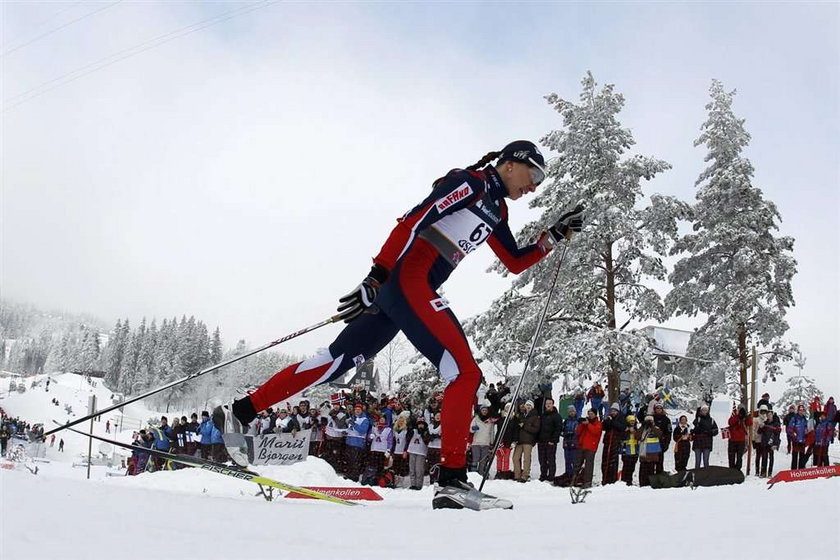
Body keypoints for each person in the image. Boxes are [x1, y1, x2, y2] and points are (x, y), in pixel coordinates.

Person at [227, 141, 583, 510]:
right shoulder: (471, 183)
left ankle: (241, 411)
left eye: (541, 180)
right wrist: (376, 276)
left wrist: (551, 237)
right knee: (464, 374)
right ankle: (451, 481)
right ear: (510, 164)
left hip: (404, 291)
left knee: (335, 362)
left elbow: (513, 260)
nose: (534, 186)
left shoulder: (497, 209)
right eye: (534, 175)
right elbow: (413, 221)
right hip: (408, 282)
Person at [537, 398, 563, 482]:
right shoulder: (542, 415)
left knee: (551, 459)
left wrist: (553, 440)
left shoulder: (557, 416)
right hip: (541, 441)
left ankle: (551, 475)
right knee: (542, 459)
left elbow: (558, 429)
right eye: (547, 404)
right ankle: (543, 474)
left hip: (550, 442)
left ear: (552, 404)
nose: (548, 405)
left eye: (550, 403)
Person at [575, 409, 602, 488]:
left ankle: (587, 482)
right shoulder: (586, 422)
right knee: (577, 464)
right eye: (589, 414)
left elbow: (595, 431)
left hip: (591, 447)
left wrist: (588, 424)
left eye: (592, 414)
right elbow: (578, 432)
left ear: (595, 414)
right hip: (582, 445)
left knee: (589, 466)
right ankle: (575, 480)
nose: (590, 415)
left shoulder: (598, 423)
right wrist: (581, 424)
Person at [600, 403, 625, 484]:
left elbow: (622, 427)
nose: (613, 412)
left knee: (613, 462)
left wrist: (612, 422)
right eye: (612, 411)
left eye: (615, 411)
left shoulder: (621, 418)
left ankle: (612, 479)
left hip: (615, 442)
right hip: (607, 441)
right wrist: (607, 421)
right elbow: (603, 427)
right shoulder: (608, 417)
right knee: (605, 460)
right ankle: (605, 478)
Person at [638, 416, 663, 487]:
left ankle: (650, 483)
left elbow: (659, 434)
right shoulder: (642, 429)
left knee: (651, 469)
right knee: (643, 469)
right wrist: (643, 426)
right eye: (647, 421)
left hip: (653, 452)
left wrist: (652, 426)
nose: (649, 422)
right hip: (644, 452)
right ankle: (642, 483)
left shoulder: (656, 428)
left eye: (650, 421)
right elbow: (637, 436)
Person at [469, 405, 495, 473]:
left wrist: (492, 442)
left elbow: (492, 432)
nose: (484, 412)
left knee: (483, 460)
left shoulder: (490, 421)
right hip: (476, 443)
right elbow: (471, 430)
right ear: (480, 411)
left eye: (486, 410)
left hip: (486, 443)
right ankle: (473, 474)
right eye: (483, 410)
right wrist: (474, 428)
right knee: (475, 459)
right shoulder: (476, 419)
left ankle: (481, 474)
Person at [406, 417, 431, 490]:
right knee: (412, 469)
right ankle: (413, 484)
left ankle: (419, 485)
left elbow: (427, 441)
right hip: (412, 450)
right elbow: (407, 438)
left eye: (422, 424)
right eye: (419, 424)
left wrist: (423, 433)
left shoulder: (426, 431)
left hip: (421, 452)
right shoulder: (413, 430)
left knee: (419, 469)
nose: (420, 425)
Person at [691, 405, 718, 469]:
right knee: (697, 461)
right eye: (703, 410)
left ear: (708, 411)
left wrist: (709, 432)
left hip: (707, 443)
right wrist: (697, 430)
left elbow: (716, 431)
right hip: (697, 442)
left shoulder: (712, 420)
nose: (704, 411)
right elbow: (691, 430)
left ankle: (706, 476)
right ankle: (697, 475)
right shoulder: (697, 419)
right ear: (701, 411)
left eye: (706, 410)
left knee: (706, 461)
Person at [727, 405, 752, 472]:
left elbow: (750, 423)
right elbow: (730, 422)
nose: (740, 410)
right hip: (732, 439)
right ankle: (731, 470)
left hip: (741, 440)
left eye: (742, 409)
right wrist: (737, 416)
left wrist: (746, 416)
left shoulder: (745, 417)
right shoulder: (734, 415)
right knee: (731, 456)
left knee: (739, 457)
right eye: (739, 409)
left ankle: (738, 470)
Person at [757, 405, 781, 476]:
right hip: (765, 443)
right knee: (764, 457)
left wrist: (776, 444)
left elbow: (777, 435)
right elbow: (759, 432)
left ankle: (770, 472)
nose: (769, 416)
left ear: (772, 415)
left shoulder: (776, 424)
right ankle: (763, 472)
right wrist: (760, 427)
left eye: (770, 414)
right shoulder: (765, 423)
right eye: (768, 415)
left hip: (772, 443)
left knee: (771, 458)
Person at [561, 405, 581, 478]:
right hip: (566, 443)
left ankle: (574, 475)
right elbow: (562, 431)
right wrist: (565, 433)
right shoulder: (566, 421)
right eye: (570, 412)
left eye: (573, 411)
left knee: (574, 461)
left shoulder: (578, 420)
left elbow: (579, 432)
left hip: (575, 443)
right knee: (567, 460)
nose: (571, 413)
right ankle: (568, 474)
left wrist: (573, 433)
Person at [620, 415, 640, 485]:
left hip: (634, 451)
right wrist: (627, 431)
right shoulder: (625, 430)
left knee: (632, 467)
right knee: (626, 467)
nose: (632, 422)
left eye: (633, 421)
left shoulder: (637, 430)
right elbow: (622, 438)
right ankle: (624, 481)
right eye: (630, 421)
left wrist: (635, 433)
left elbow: (639, 438)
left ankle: (629, 480)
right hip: (626, 451)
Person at [787, 404, 808, 469]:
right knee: (795, 456)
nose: (801, 412)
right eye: (800, 410)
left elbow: (806, 428)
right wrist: (793, 435)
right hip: (796, 440)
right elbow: (790, 429)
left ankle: (801, 470)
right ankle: (793, 470)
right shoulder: (794, 418)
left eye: (802, 410)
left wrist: (807, 433)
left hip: (802, 440)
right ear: (798, 411)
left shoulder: (804, 419)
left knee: (802, 456)